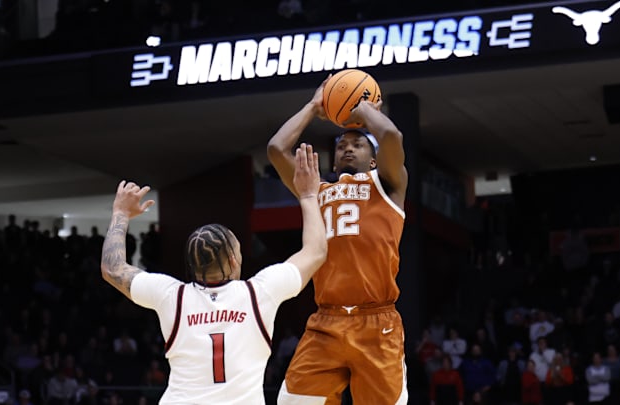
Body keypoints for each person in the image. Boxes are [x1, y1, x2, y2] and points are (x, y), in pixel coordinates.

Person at [100, 144, 327, 404]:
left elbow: (112, 268)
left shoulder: (171, 296)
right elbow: (315, 251)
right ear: (233, 258)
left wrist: (120, 214)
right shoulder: (259, 292)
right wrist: (308, 196)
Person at [268, 76, 408, 404]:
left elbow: (390, 135)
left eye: (357, 144)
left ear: (374, 160)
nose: (347, 146)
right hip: (326, 322)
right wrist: (314, 106)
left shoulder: (389, 185)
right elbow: (277, 149)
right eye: (341, 145)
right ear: (332, 160)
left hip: (377, 322)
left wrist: (363, 108)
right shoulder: (316, 191)